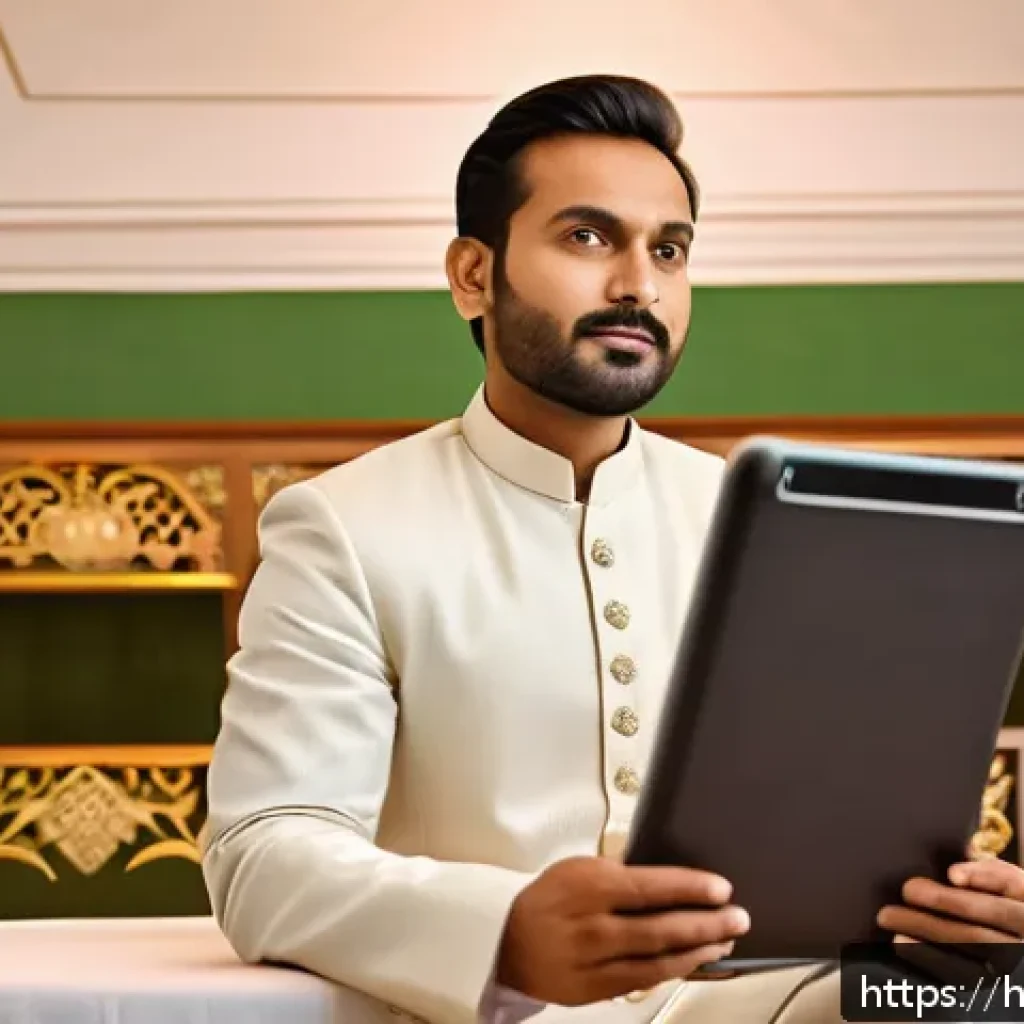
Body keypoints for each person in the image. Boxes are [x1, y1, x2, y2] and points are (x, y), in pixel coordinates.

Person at [201, 75, 1024, 1024]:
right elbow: (266, 848)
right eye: (587, 237)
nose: (638, 283)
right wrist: (503, 928)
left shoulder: (757, 517)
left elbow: (843, 836)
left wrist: (955, 919)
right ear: (474, 274)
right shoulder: (342, 525)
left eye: (668, 250)